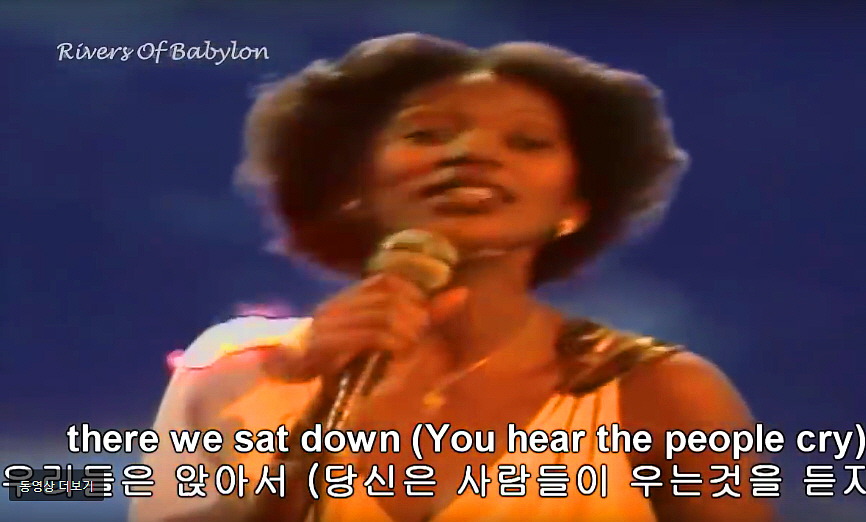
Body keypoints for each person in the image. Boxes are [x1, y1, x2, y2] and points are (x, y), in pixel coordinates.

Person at [131, 33, 774, 522]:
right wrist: (319, 440)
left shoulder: (664, 393)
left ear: (577, 205)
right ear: (354, 186)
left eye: (527, 143)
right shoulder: (236, 371)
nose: (471, 154)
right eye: (427, 134)